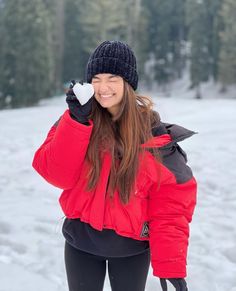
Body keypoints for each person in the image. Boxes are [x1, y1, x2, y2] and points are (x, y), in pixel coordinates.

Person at [32, 40, 197, 291]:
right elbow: (57, 175)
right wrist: (76, 121)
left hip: (131, 251)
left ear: (128, 83)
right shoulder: (77, 120)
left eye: (112, 77)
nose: (103, 87)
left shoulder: (153, 137)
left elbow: (171, 208)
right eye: (96, 78)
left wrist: (171, 265)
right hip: (81, 247)